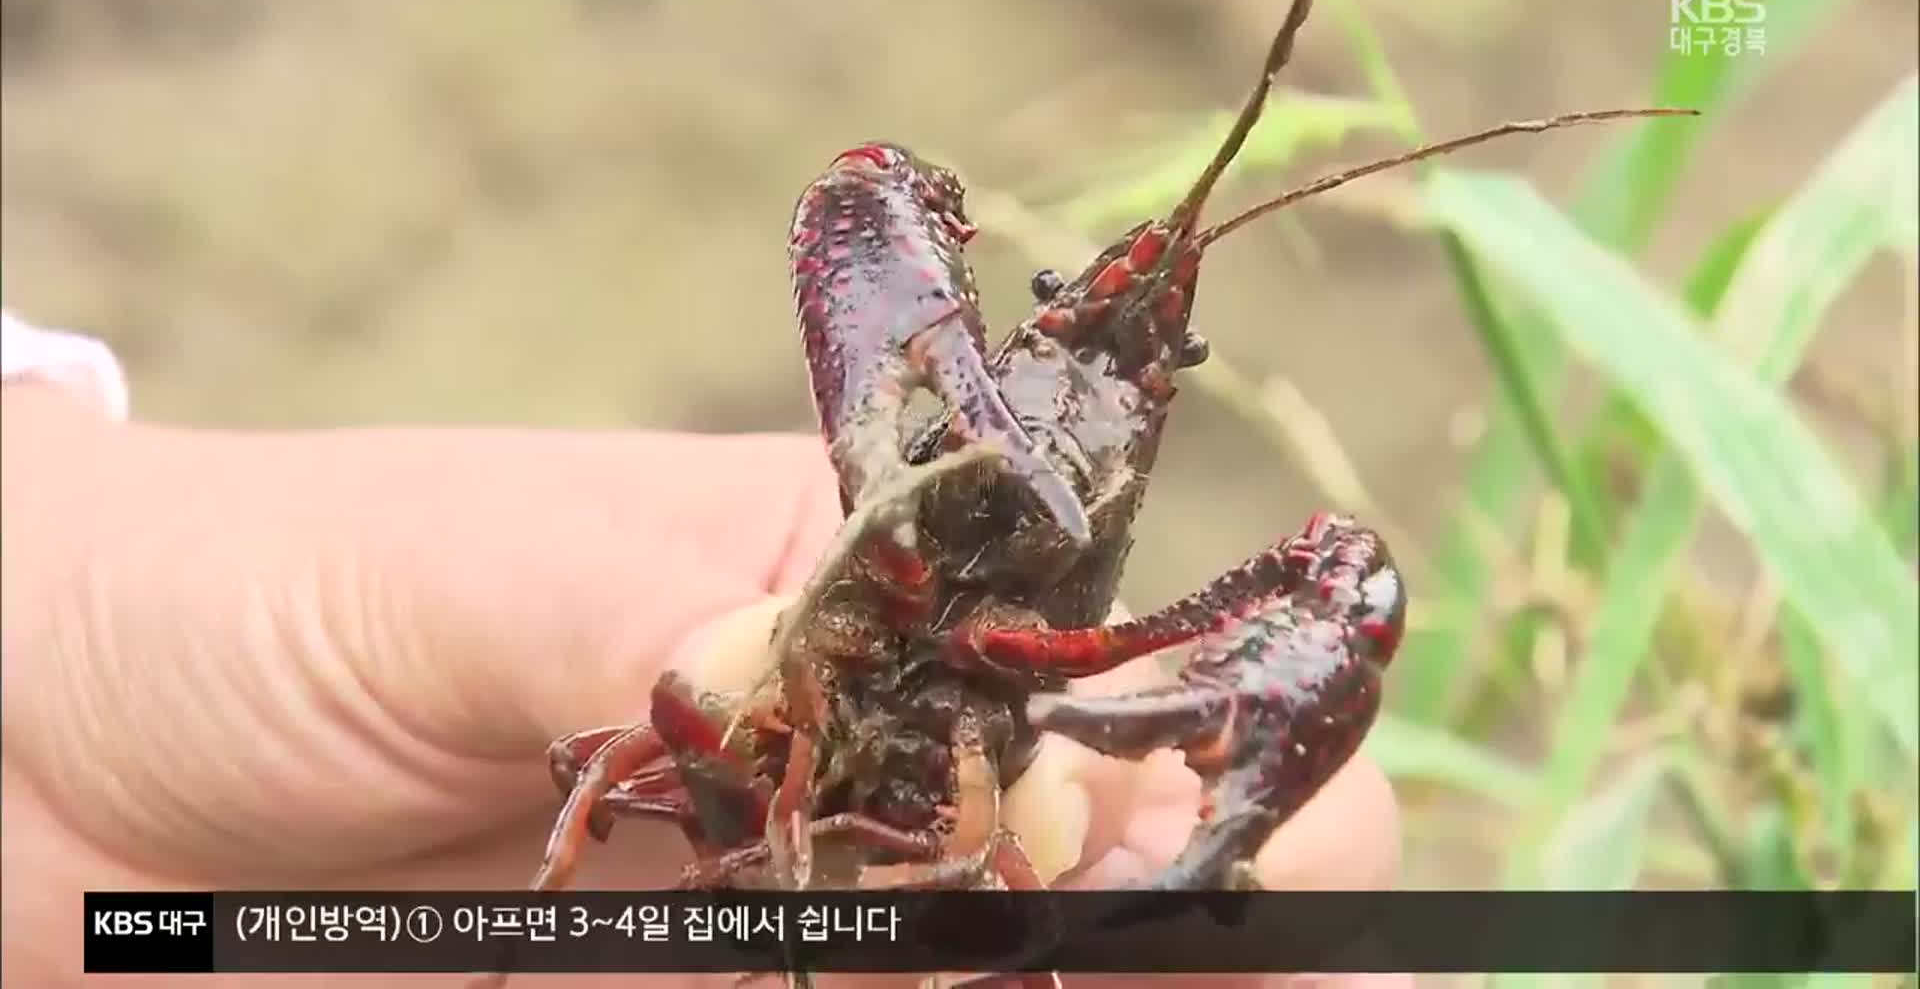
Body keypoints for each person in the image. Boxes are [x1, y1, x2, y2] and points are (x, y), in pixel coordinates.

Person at [1, 311, 1404, 988]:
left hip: (964, 801)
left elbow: (1316, 594)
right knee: (613, 766)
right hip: (754, 770)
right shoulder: (813, 554)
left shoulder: (1080, 631)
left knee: (1120, 851)